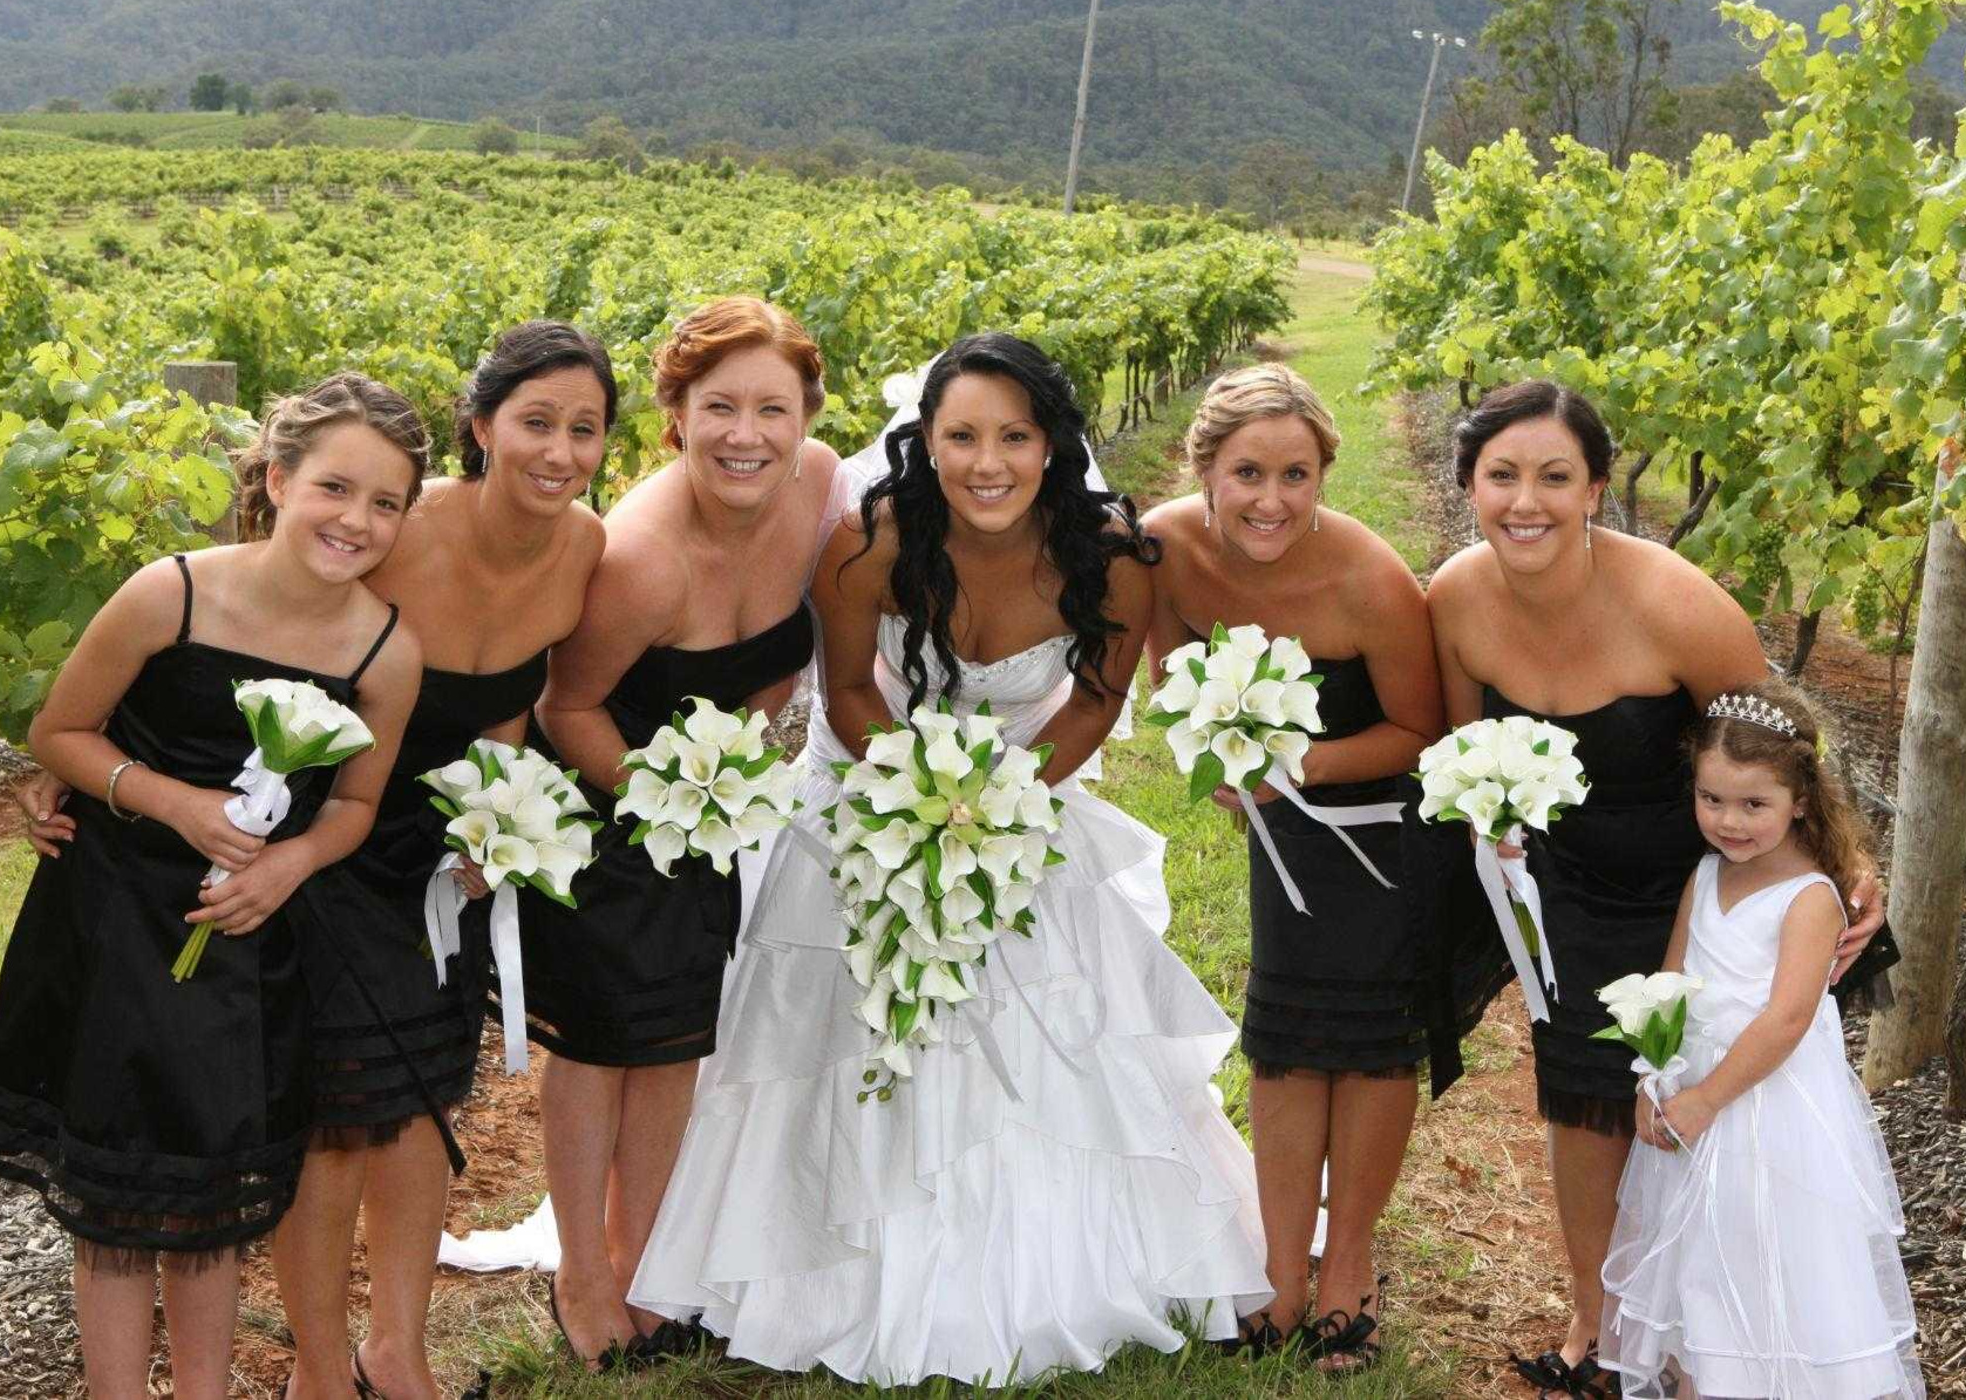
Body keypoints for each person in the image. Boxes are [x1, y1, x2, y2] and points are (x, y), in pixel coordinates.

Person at [626, 332, 1270, 1386]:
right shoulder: (870, 541)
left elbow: (1100, 701)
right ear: (923, 443)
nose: (988, 463)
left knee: (1062, 1027)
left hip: (1026, 798)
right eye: (961, 436)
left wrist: (1003, 802)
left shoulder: (1109, 554)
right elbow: (849, 694)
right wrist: (918, 804)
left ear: (1053, 443)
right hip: (877, 801)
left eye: (1014, 436)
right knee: (826, 1021)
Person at [22, 326, 616, 1400]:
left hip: (417, 851)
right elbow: (118, 703)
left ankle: (396, 1352)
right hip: (280, 863)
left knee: (425, 1096)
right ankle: (317, 1366)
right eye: (537, 421)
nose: (560, 450)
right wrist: (118, 785)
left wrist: (499, 821)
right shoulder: (372, 541)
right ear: (481, 428)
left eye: (585, 429)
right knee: (326, 1110)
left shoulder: (569, 554)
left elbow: (515, 713)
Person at [1424, 380, 1888, 1398]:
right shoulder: (1455, 596)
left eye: (1556, 475)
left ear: (1596, 487)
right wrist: (1490, 832)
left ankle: (1720, 1336)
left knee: (1703, 1104)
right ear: (1469, 484)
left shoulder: (1676, 601)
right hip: (1566, 889)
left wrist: (1847, 865)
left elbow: (1777, 749)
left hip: (1698, 887)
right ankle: (1604, 1328)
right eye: (1501, 475)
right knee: (1585, 1104)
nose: (1526, 500)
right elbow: (1467, 752)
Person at [0, 373, 427, 1400]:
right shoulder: (168, 592)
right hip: (118, 914)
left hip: (249, 938)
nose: (356, 518)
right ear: (275, 478)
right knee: (124, 1184)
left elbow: (353, 806)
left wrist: (288, 863)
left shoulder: (388, 653)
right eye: (334, 487)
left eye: (386, 502)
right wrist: (174, 802)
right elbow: (60, 733)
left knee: (209, 1184)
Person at [525, 295, 839, 1370]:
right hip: (599, 812)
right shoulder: (640, 559)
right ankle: (581, 1270)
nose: (745, 434)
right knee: (593, 1044)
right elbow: (565, 709)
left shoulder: (821, 489)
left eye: (771, 408)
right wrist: (669, 802)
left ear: (805, 419)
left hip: (706, 812)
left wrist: (736, 773)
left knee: (675, 1040)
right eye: (718, 408)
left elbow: (786, 656)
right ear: (674, 415)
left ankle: (646, 1259)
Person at [1138, 364, 1445, 1371]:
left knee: (1366, 1044)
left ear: (1323, 475)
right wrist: (1218, 756)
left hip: (1384, 830)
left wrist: (1289, 765)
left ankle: (1346, 1270)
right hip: (1287, 831)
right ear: (1206, 471)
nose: (1272, 499)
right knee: (1281, 1034)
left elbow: (1417, 728)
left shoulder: (1370, 581)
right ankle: (1280, 1273)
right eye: (1249, 472)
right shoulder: (1166, 546)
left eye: (1297, 474)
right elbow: (1174, 667)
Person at [1599, 678, 1923, 1398]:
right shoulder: (1706, 873)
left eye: (1754, 804)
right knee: (1696, 1265)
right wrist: (1654, 1077)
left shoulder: (1809, 897)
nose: (1729, 820)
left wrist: (1707, 1099)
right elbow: (1670, 980)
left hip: (1763, 1114)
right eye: (1711, 799)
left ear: (1800, 801)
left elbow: (1787, 1019)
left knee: (1764, 1257)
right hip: (1692, 1102)